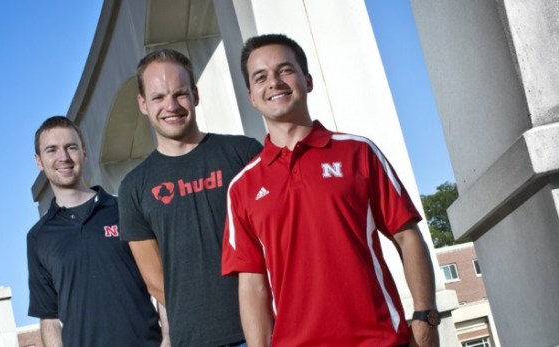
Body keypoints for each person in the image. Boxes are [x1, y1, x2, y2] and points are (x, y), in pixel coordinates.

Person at [221, 34, 440, 347]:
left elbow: (407, 237)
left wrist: (425, 317)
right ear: (251, 97)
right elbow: (253, 285)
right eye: (261, 77)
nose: (274, 82)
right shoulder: (242, 187)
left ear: (307, 81)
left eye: (285, 70)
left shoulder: (359, 152)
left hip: (378, 341)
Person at [117, 49, 263, 347]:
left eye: (179, 94)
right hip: (194, 340)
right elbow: (154, 280)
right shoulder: (133, 187)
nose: (171, 106)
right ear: (143, 104)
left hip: (263, 331)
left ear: (195, 95)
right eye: (158, 97)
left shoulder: (244, 154)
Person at [27, 116, 163, 346]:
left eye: (71, 147)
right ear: (39, 161)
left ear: (84, 153)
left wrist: (169, 339)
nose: (63, 157)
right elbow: (49, 318)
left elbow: (161, 281)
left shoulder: (125, 209)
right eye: (52, 150)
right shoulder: (38, 238)